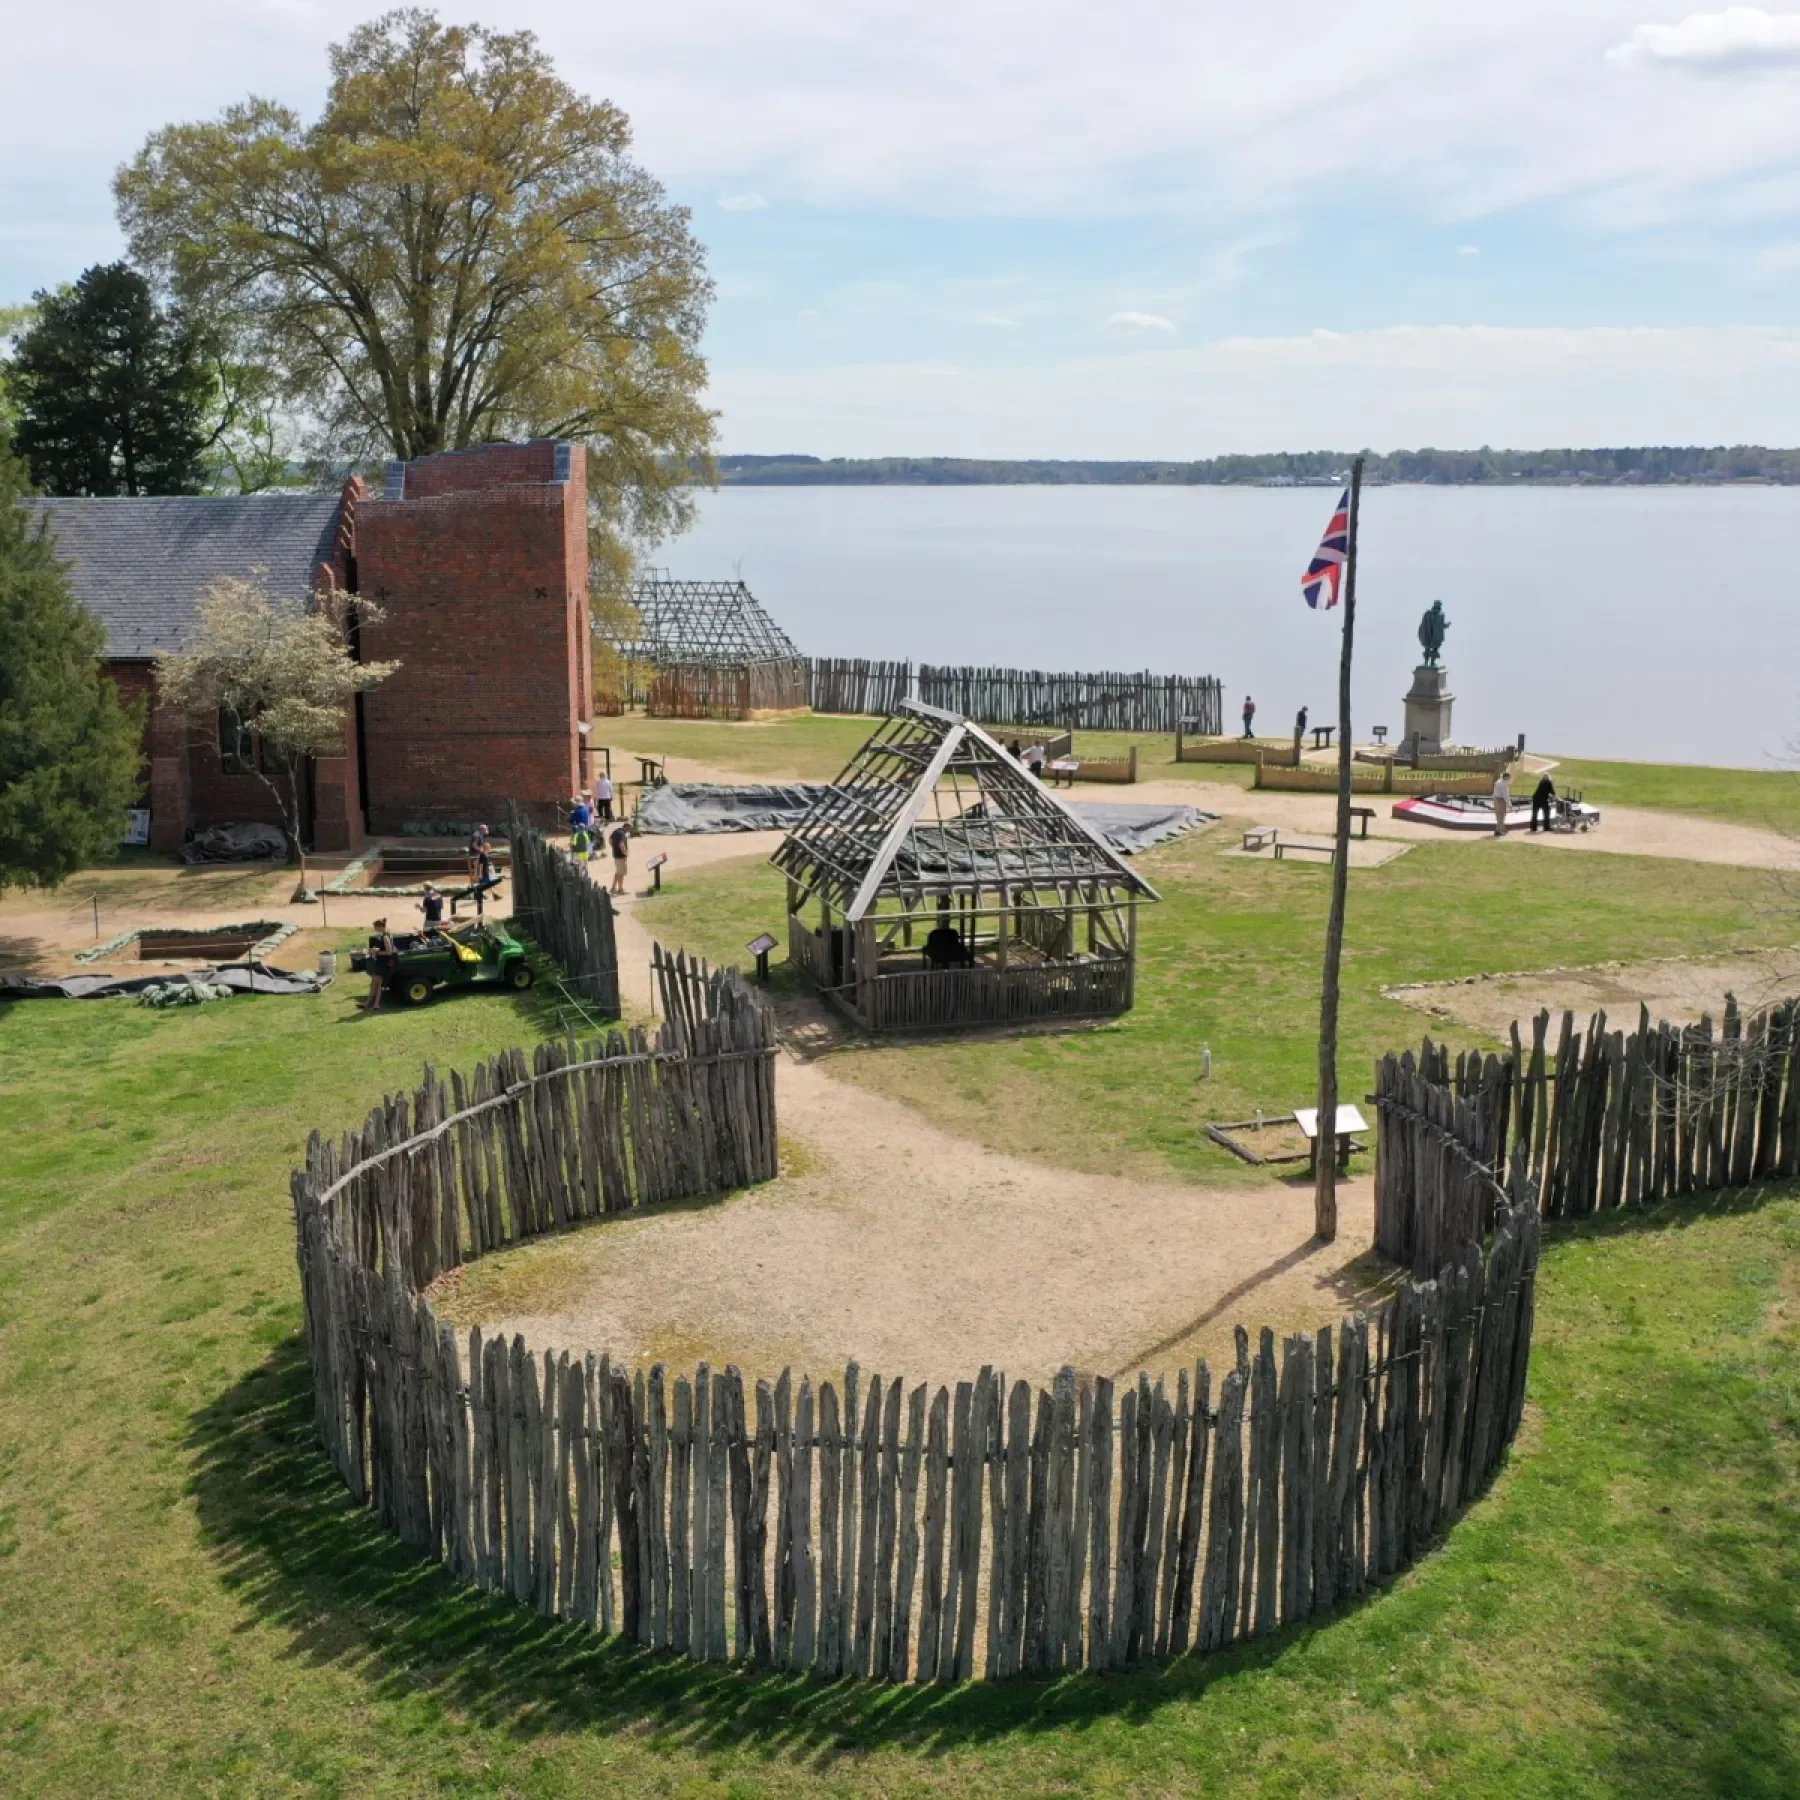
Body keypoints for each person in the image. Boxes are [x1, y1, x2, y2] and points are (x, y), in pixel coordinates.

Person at [361, 918, 396, 1012]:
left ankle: (368, 1003)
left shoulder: (385, 937)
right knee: (378, 984)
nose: (375, 929)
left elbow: (389, 952)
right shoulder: (388, 934)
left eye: (375, 927)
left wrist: (376, 952)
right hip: (384, 963)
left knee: (374, 984)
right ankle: (375, 1004)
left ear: (380, 927)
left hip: (382, 964)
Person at [609, 819, 631, 895]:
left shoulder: (616, 831)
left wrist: (614, 847)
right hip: (621, 857)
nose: (629, 830)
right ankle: (620, 889)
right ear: (626, 827)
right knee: (621, 874)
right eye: (629, 829)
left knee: (618, 872)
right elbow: (621, 844)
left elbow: (610, 839)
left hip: (616, 855)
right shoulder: (622, 834)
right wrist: (625, 853)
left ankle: (613, 888)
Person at [568, 795, 593, 862]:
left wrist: (571, 815)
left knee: (574, 845)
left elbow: (571, 821)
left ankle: (574, 860)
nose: (573, 804)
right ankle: (586, 858)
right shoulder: (585, 808)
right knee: (584, 845)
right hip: (584, 829)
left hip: (577, 831)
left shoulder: (577, 811)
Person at [1492, 769, 1513, 837]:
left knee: (1498, 815)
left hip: (1495, 799)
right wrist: (1509, 805)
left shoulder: (1498, 781)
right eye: (1509, 778)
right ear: (1506, 777)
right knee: (1501, 816)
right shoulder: (1504, 784)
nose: (1509, 779)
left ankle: (1502, 828)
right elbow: (1506, 796)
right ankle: (1497, 831)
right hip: (1500, 800)